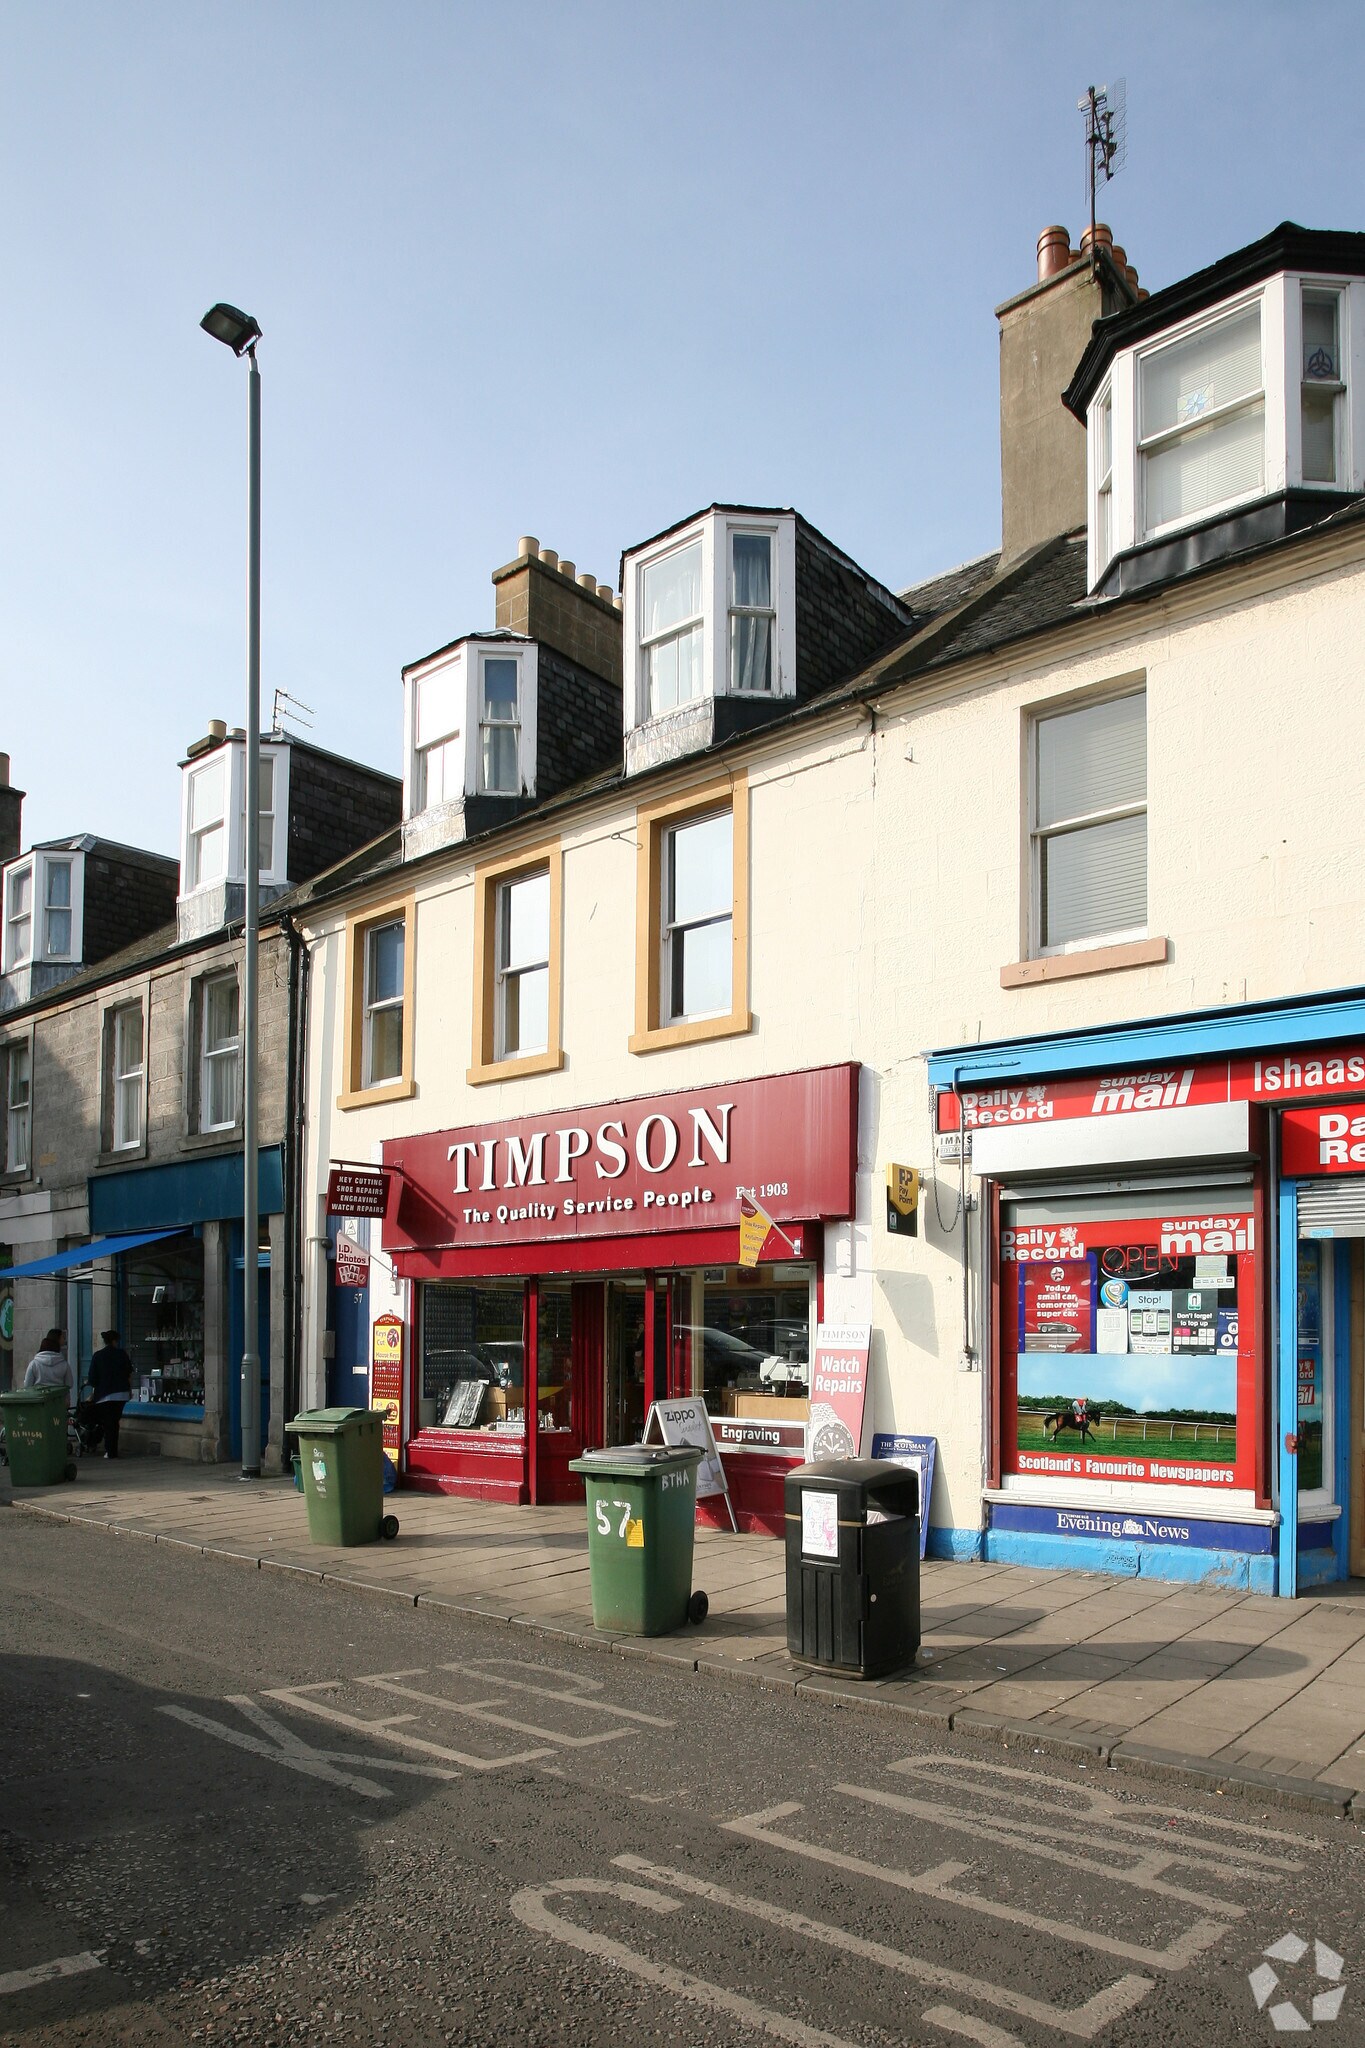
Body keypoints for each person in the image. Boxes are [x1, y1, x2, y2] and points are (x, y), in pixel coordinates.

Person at [89, 1329, 133, 1459]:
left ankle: (110, 1450)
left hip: (105, 1394)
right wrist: (129, 1390)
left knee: (108, 1423)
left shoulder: (98, 1356)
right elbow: (129, 1374)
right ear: (115, 1341)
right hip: (121, 1393)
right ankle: (112, 1449)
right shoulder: (122, 1354)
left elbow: (93, 1379)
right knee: (115, 1421)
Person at [23, 1329, 74, 1409]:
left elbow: (27, 1385)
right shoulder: (64, 1364)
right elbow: (69, 1384)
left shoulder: (34, 1364)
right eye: (62, 1337)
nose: (64, 1340)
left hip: (39, 1402)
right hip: (59, 1402)